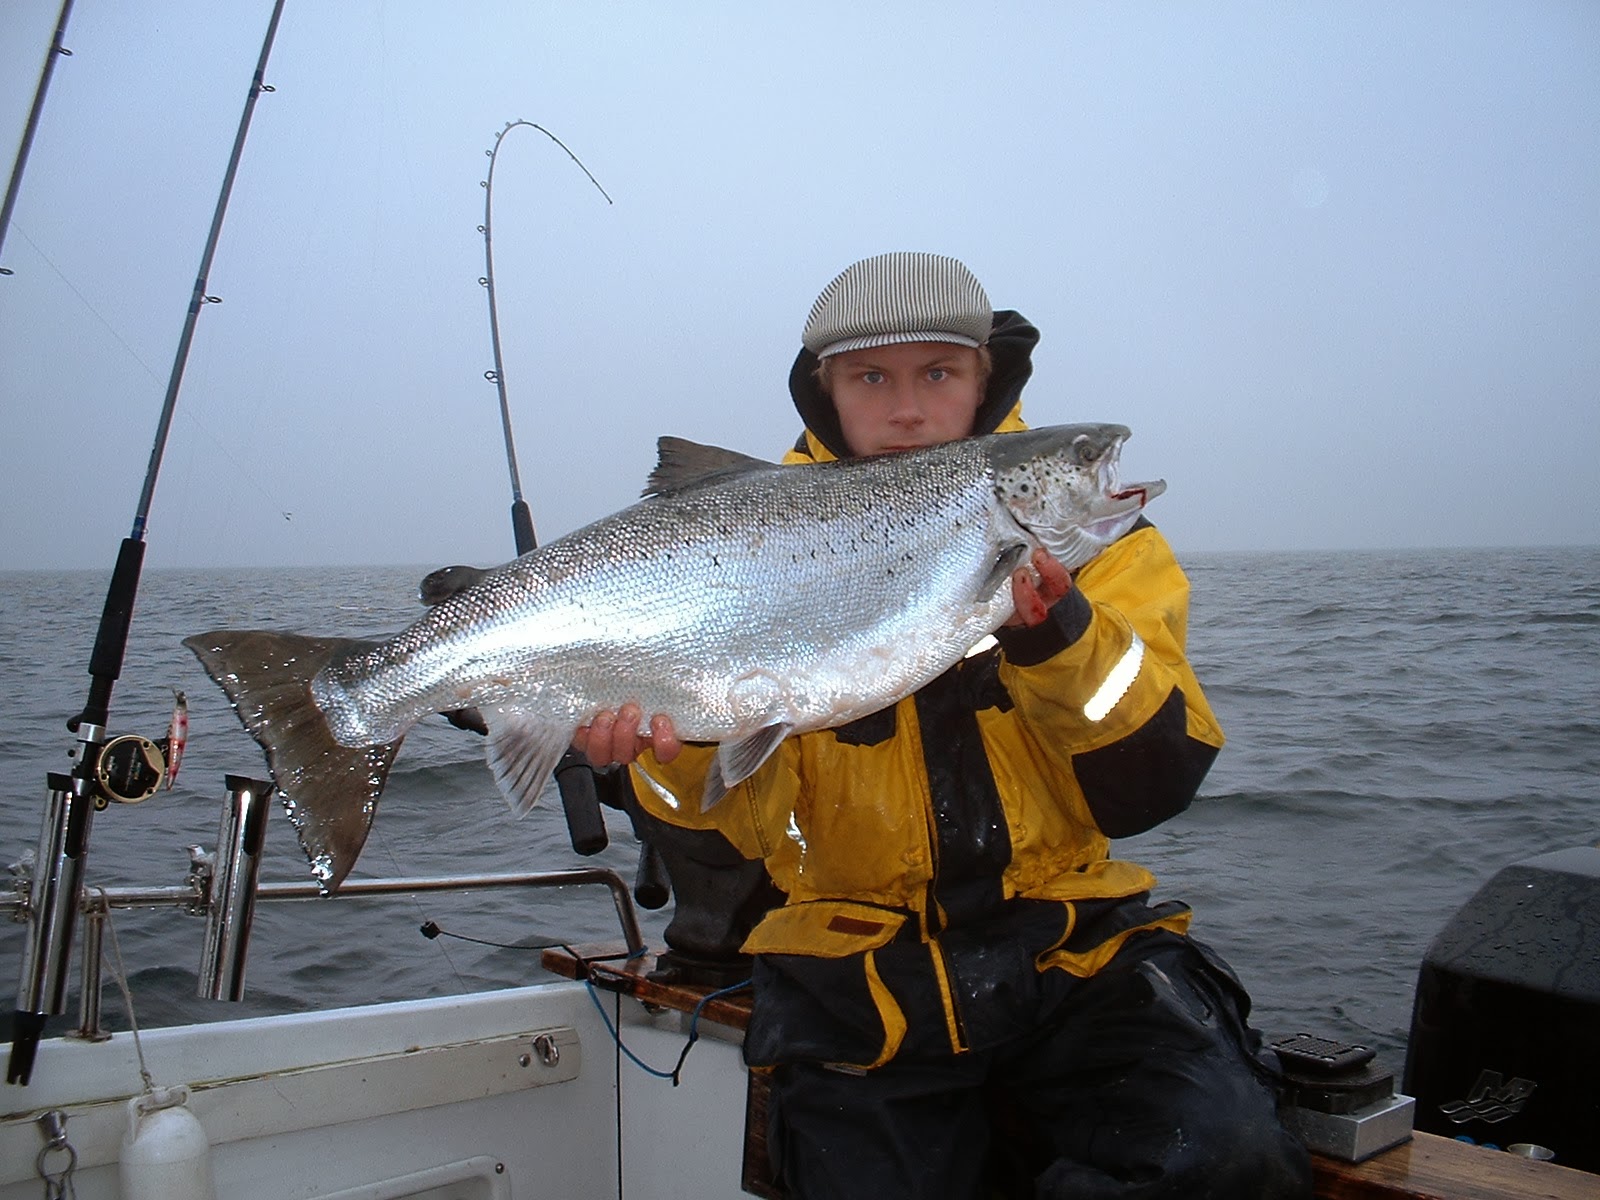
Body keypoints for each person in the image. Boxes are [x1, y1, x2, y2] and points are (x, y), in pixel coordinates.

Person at [576, 252, 1312, 1199]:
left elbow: (1154, 782)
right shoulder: (745, 538)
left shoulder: (1106, 555)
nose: (908, 408)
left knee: (1233, 1164)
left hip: (1074, 943)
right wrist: (669, 757)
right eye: (871, 377)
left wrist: (1062, 638)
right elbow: (729, 829)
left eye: (939, 373)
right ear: (825, 393)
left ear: (984, 383)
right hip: (851, 973)